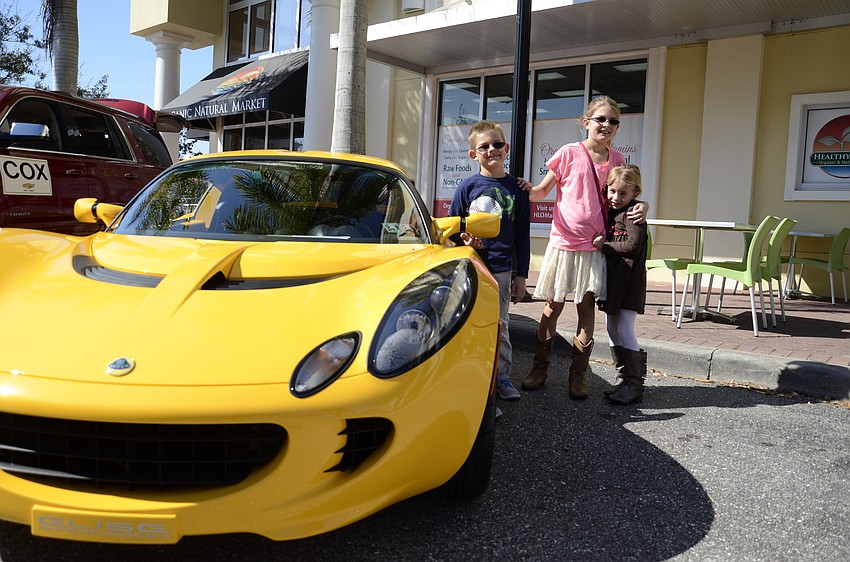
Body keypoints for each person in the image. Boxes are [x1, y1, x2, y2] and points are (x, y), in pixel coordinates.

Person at [519, 96, 647, 399]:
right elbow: (540, 192)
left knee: (586, 308)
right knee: (553, 306)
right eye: (601, 119)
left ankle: (578, 375)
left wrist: (643, 205)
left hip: (594, 246)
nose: (606, 125)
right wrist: (523, 189)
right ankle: (540, 368)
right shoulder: (568, 153)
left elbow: (625, 195)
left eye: (613, 121)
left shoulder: (617, 160)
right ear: (586, 122)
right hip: (563, 242)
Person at [449, 120, 531, 402]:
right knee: (468, 323)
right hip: (472, 266)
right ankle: (470, 377)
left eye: (497, 144)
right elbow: (454, 229)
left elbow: (522, 235)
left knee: (500, 324)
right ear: (474, 154)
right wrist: (466, 244)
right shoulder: (467, 186)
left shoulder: (518, 189)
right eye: (484, 146)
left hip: (501, 269)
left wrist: (521, 275)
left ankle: (501, 377)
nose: (492, 150)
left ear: (506, 148)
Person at [593, 164, 648, 405]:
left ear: (635, 192)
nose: (616, 198)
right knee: (611, 329)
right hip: (615, 280)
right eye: (612, 191)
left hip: (628, 282)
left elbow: (632, 246)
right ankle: (624, 377)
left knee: (625, 328)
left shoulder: (633, 214)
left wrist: (603, 245)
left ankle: (634, 385)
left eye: (623, 194)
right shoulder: (614, 212)